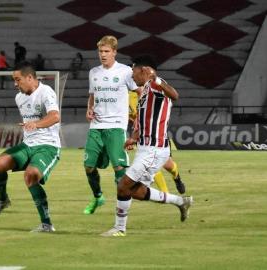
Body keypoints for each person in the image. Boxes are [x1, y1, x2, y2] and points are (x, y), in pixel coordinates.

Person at [101, 55, 193, 237]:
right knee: (135, 191)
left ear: (144, 70)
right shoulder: (145, 93)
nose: (132, 76)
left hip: (154, 149)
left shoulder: (157, 86)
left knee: (123, 185)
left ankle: (119, 229)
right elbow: (143, 122)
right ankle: (181, 202)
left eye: (134, 71)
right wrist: (133, 138)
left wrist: (156, 79)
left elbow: (175, 95)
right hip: (145, 147)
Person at [0, 61, 61, 233]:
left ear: (29, 77)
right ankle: (3, 199)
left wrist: (36, 124)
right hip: (28, 145)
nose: (15, 83)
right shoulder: (19, 97)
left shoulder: (46, 92)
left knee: (31, 175)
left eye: (18, 79)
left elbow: (55, 116)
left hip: (48, 146)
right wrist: (31, 127)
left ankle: (47, 224)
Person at [83, 35, 138, 215]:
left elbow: (140, 91)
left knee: (119, 167)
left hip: (116, 126)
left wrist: (138, 115)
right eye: (100, 51)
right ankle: (98, 197)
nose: (103, 55)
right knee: (89, 166)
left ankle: (122, 204)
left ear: (114, 52)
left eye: (107, 51)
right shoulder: (94, 72)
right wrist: (89, 108)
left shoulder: (125, 72)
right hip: (96, 126)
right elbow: (92, 95)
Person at [128, 85, 186, 194]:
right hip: (142, 135)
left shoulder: (151, 90)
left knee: (169, 166)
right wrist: (133, 137)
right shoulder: (126, 97)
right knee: (150, 164)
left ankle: (176, 177)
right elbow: (132, 119)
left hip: (157, 134)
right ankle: (165, 194)